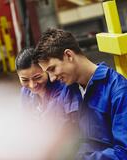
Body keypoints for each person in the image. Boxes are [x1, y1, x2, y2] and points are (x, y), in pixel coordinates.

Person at [34, 28, 127, 160]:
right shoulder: (68, 89)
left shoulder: (117, 90)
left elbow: (124, 153)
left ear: (69, 56)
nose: (52, 78)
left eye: (52, 69)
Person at [16, 47, 79, 159]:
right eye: (25, 80)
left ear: (47, 70)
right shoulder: (25, 93)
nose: (32, 85)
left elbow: (73, 129)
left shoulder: (65, 89)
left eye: (37, 77)